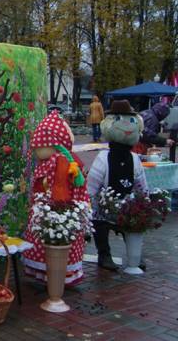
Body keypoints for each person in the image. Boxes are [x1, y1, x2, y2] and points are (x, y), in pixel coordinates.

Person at [22, 111, 90, 286]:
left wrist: (53, 203)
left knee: (55, 241)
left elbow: (59, 188)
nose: (37, 152)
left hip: (58, 210)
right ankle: (46, 274)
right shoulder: (53, 161)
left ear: (53, 144)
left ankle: (57, 277)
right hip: (50, 210)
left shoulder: (59, 162)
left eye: (39, 147)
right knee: (45, 239)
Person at [87, 100, 147, 271]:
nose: (127, 126)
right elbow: (92, 187)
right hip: (104, 207)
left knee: (136, 218)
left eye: (132, 121)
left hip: (126, 203)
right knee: (99, 221)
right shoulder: (103, 158)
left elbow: (141, 185)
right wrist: (90, 205)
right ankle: (104, 253)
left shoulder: (135, 159)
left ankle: (134, 253)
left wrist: (144, 203)